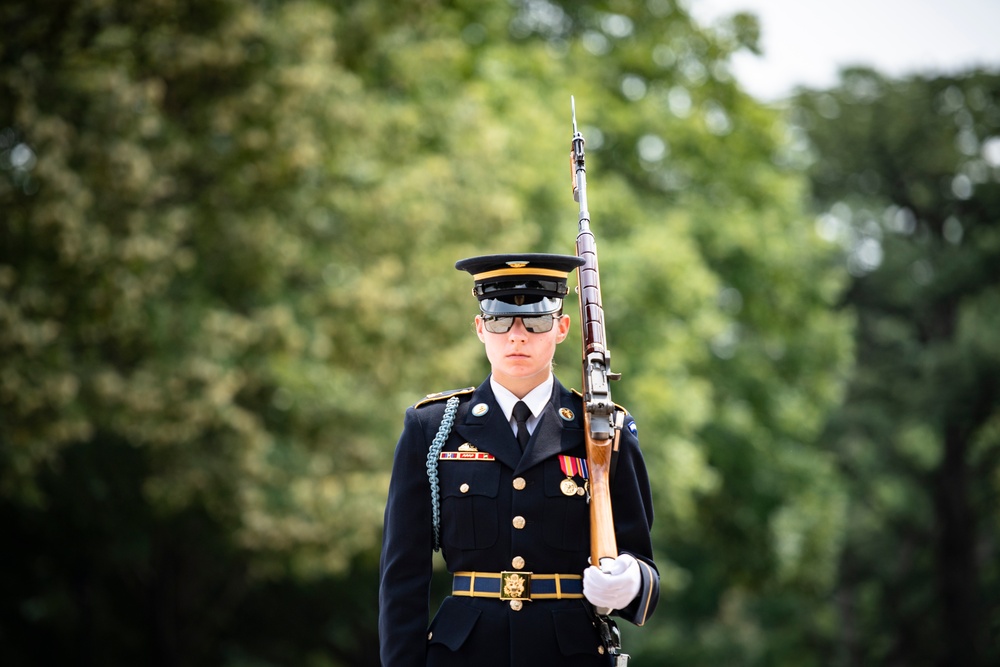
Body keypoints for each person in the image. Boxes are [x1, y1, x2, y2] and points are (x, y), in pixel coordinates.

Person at [378, 253, 659, 667]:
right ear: (480, 328)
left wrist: (631, 582)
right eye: (499, 320)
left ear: (562, 328)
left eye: (536, 321)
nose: (517, 335)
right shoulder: (433, 427)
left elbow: (643, 562)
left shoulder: (602, 429)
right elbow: (403, 575)